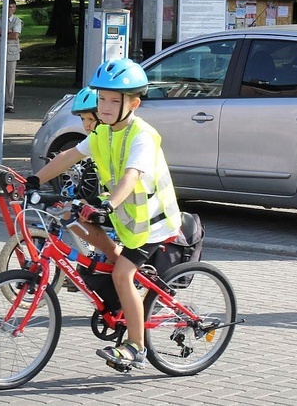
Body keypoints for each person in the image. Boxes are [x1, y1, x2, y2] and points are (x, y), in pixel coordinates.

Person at [24, 58, 181, 370]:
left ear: (133, 103)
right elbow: (70, 155)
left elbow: (132, 176)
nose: (105, 107)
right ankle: (125, 278)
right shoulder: (103, 132)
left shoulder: (142, 135)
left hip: (152, 223)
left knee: (122, 274)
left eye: (113, 100)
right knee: (75, 217)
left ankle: (136, 346)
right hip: (126, 216)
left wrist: (108, 204)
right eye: (101, 99)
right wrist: (35, 179)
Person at [0, 0, 22, 113]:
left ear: (15, 8)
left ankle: (9, 104)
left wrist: (1, 32)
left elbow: (15, 35)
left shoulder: (16, 20)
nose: (9, 9)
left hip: (11, 54)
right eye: (8, 7)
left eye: (12, 7)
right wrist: (6, 31)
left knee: (9, 79)